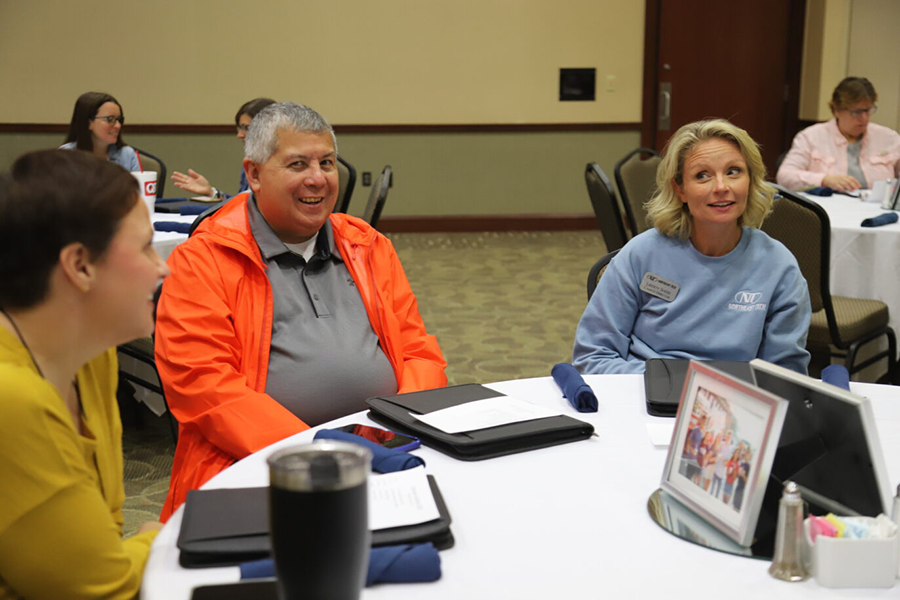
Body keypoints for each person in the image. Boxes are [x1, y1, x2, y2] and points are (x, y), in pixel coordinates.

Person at [155, 102, 447, 520]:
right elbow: (203, 384)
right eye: (297, 164)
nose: (317, 178)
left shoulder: (366, 246)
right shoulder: (204, 260)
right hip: (259, 467)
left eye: (326, 162)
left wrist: (399, 432)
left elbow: (418, 351)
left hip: (385, 457)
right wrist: (321, 454)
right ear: (253, 174)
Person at [0, 150, 169, 598]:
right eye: (145, 246)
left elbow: (104, 529)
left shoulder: (92, 357)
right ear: (80, 266)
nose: (162, 266)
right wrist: (160, 537)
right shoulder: (11, 398)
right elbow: (102, 588)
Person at [573, 119, 811, 375]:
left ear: (750, 181)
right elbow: (593, 355)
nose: (721, 187)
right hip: (644, 396)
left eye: (733, 171)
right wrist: (666, 386)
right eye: (702, 175)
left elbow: (785, 374)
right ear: (680, 190)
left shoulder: (778, 266)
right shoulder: (642, 254)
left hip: (731, 403)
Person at [777, 77, 900, 193]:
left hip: (879, 211)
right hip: (828, 209)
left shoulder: (889, 138)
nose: (864, 118)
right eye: (856, 112)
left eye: (867, 110)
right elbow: (785, 176)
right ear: (836, 110)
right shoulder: (810, 137)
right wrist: (824, 180)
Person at [170, 97, 276, 199]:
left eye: (246, 128)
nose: (239, 135)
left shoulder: (281, 165)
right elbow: (242, 203)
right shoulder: (251, 161)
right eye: (239, 128)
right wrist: (212, 192)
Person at [60, 92, 140, 172]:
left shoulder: (127, 155)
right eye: (110, 119)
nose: (118, 126)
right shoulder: (65, 157)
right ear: (89, 123)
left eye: (119, 120)